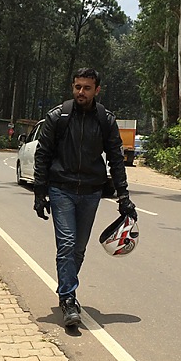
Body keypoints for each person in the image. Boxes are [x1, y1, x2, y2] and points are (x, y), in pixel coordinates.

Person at [33, 68, 137, 328]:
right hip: (61, 190)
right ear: (72, 86)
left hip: (91, 192)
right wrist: (39, 192)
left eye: (87, 88)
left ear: (97, 90)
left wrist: (124, 196)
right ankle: (68, 298)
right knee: (67, 244)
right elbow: (43, 155)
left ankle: (67, 287)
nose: (81, 92)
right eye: (78, 86)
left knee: (78, 248)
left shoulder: (105, 120)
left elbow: (116, 159)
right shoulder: (58, 116)